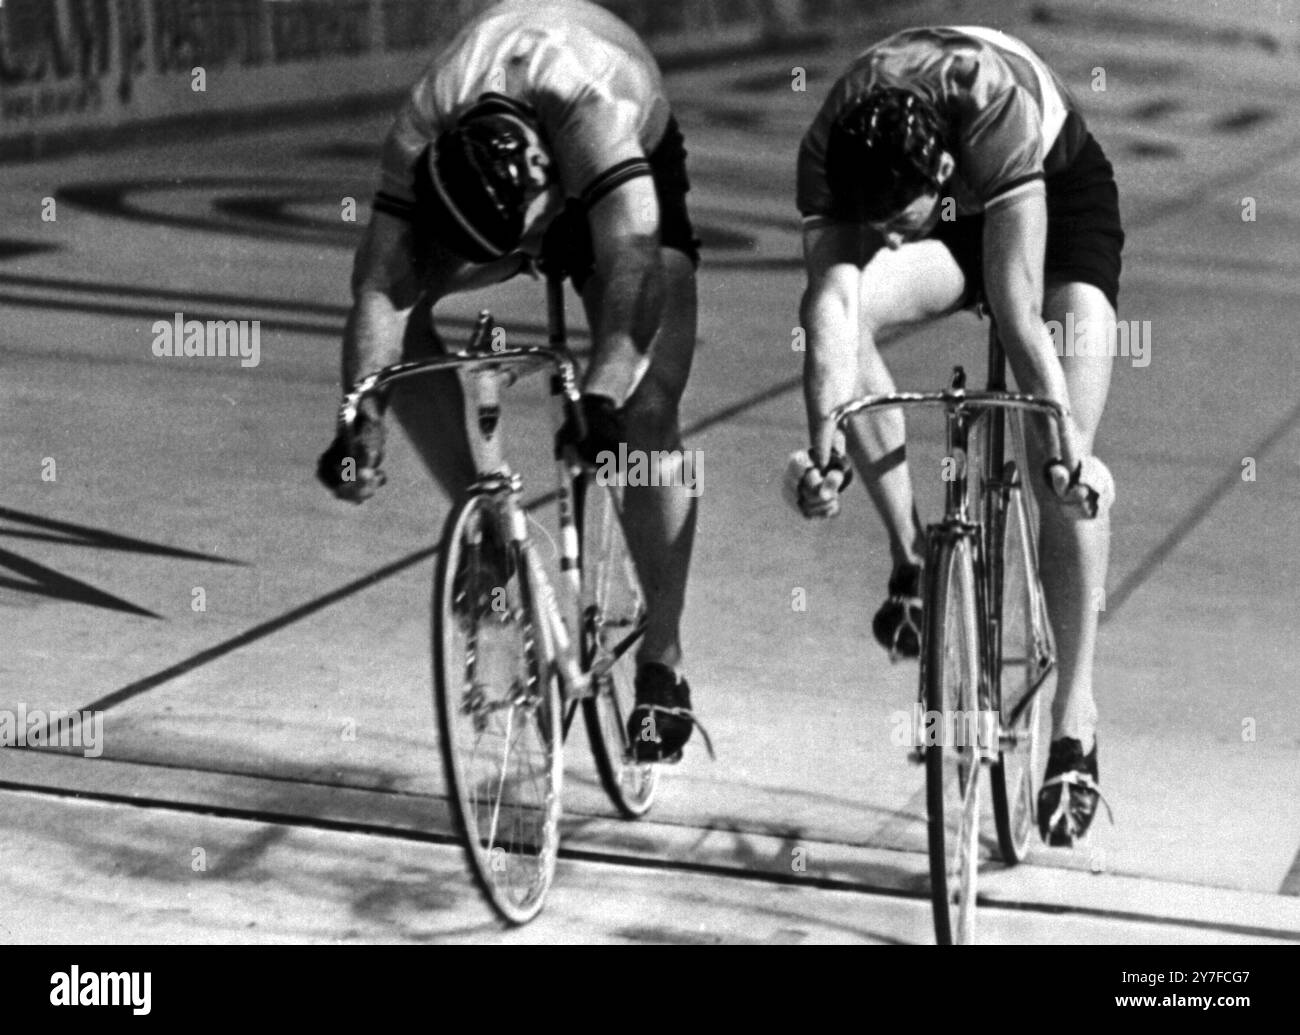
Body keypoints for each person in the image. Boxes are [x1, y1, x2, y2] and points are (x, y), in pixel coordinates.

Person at [317, 0, 704, 762]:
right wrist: (359, 414)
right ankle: (484, 518)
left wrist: (603, 395)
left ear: (545, 200)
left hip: (630, 156)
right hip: (504, 163)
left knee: (651, 410)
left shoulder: (590, 113)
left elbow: (630, 262)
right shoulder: (421, 132)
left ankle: (664, 660)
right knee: (406, 307)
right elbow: (378, 285)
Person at [793, 25, 1122, 845]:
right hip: (955, 213)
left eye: (892, 221)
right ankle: (913, 562)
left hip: (1055, 194)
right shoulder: (834, 142)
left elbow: (1017, 305)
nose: (888, 237)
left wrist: (1064, 441)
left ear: (939, 172)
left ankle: (1073, 719)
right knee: (860, 307)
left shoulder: (992, 106)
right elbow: (830, 307)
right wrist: (823, 438)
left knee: (1061, 467)